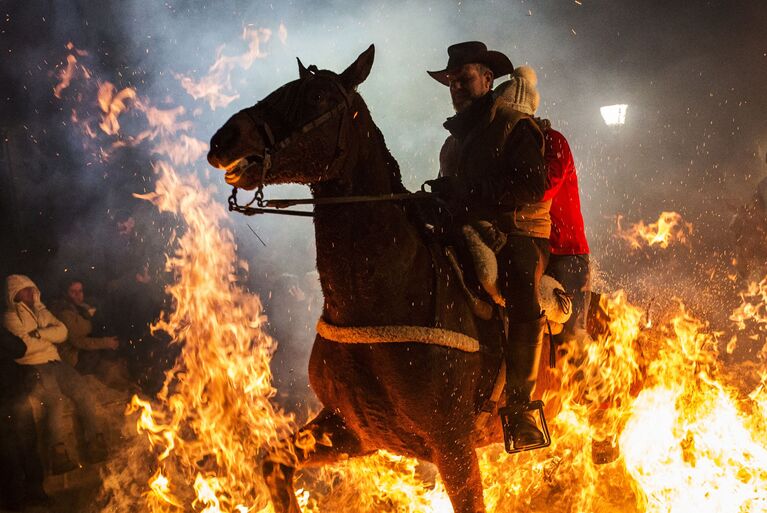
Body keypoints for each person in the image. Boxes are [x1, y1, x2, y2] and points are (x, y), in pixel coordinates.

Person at [426, 42, 550, 451]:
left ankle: (521, 406)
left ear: (487, 78)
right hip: (463, 227)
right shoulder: (453, 142)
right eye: (450, 82)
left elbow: (532, 186)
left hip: (512, 233)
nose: (456, 87)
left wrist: (468, 192)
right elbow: (455, 194)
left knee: (518, 281)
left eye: (464, 78)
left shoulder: (514, 125)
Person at [501, 66, 591, 340]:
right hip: (529, 243)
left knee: (570, 338)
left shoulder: (554, 142)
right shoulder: (507, 147)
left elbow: (541, 189)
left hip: (566, 252)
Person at [3, 274, 108, 474]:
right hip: (34, 365)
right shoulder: (10, 317)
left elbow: (63, 333)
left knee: (82, 391)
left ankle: (94, 442)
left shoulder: (42, 312)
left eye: (31, 289)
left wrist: (40, 334)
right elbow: (23, 347)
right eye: (25, 290)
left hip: (56, 361)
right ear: (13, 294)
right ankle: (58, 455)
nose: (30, 293)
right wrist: (46, 338)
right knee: (55, 401)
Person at [51, 278, 131, 389]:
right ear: (65, 293)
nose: (78, 295)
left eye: (80, 291)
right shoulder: (65, 313)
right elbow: (78, 341)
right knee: (102, 350)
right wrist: (106, 342)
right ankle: (108, 380)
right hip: (72, 356)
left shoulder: (82, 306)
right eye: (73, 292)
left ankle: (118, 374)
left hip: (82, 347)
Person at [0, 327, 48, 510]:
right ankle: (14, 500)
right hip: (2, 402)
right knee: (7, 452)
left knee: (29, 445)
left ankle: (36, 492)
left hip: (16, 394)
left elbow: (20, 348)